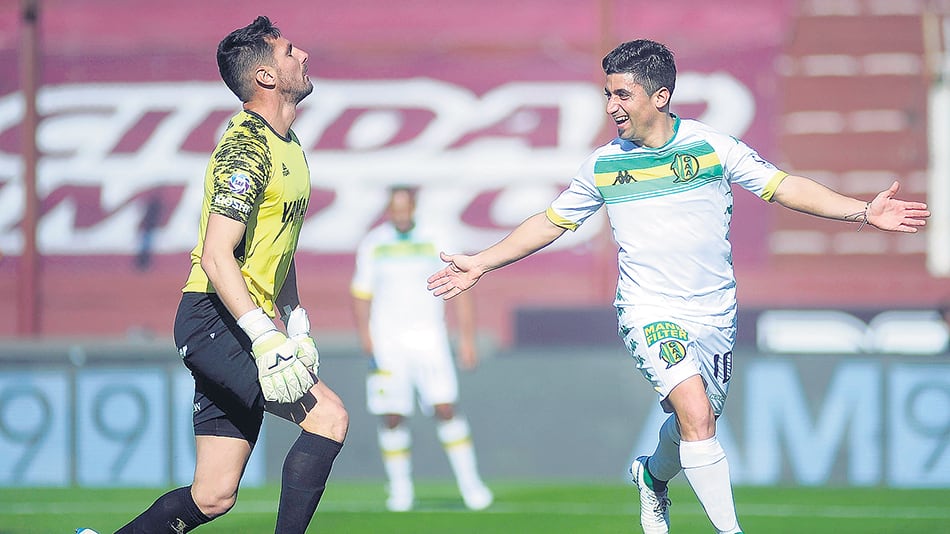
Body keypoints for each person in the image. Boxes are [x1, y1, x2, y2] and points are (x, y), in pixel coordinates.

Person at [427, 39, 930, 534]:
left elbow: (783, 186)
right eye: (608, 94)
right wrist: (483, 263)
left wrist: (862, 212)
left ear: (659, 96)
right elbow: (551, 221)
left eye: (622, 94)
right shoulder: (604, 163)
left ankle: (650, 475)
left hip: (715, 313)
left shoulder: (711, 146)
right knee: (695, 412)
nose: (611, 106)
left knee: (697, 424)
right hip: (648, 309)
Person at [115, 16, 348, 533]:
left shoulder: (289, 144)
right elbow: (218, 256)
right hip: (215, 318)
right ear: (265, 76)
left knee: (213, 496)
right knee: (328, 418)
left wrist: (296, 319)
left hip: (242, 321)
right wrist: (265, 337)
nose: (303, 54)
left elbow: (277, 246)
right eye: (289, 51)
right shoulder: (246, 146)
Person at [351, 186, 493, 512]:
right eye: (394, 209)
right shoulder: (375, 242)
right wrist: (365, 336)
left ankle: (471, 486)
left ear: (414, 207)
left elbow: (461, 289)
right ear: (389, 210)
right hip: (387, 340)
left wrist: (467, 339)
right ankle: (400, 491)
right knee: (392, 415)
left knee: (445, 407)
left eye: (405, 208)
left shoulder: (436, 237)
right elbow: (361, 292)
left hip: (430, 337)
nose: (400, 214)